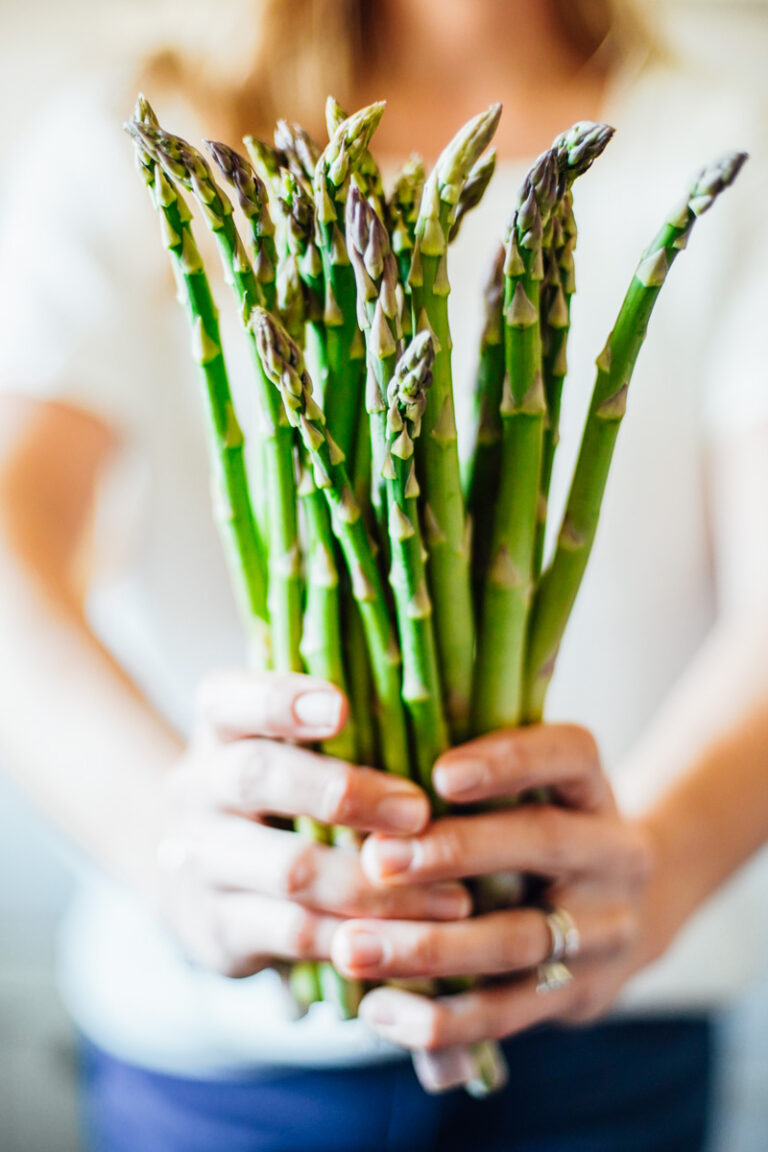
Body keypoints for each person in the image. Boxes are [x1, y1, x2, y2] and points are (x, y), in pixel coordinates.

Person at [1, 0, 767, 1148]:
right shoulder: (128, 138)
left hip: (611, 1029)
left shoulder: (728, 130)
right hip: (218, 1060)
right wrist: (174, 847)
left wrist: (656, 865)